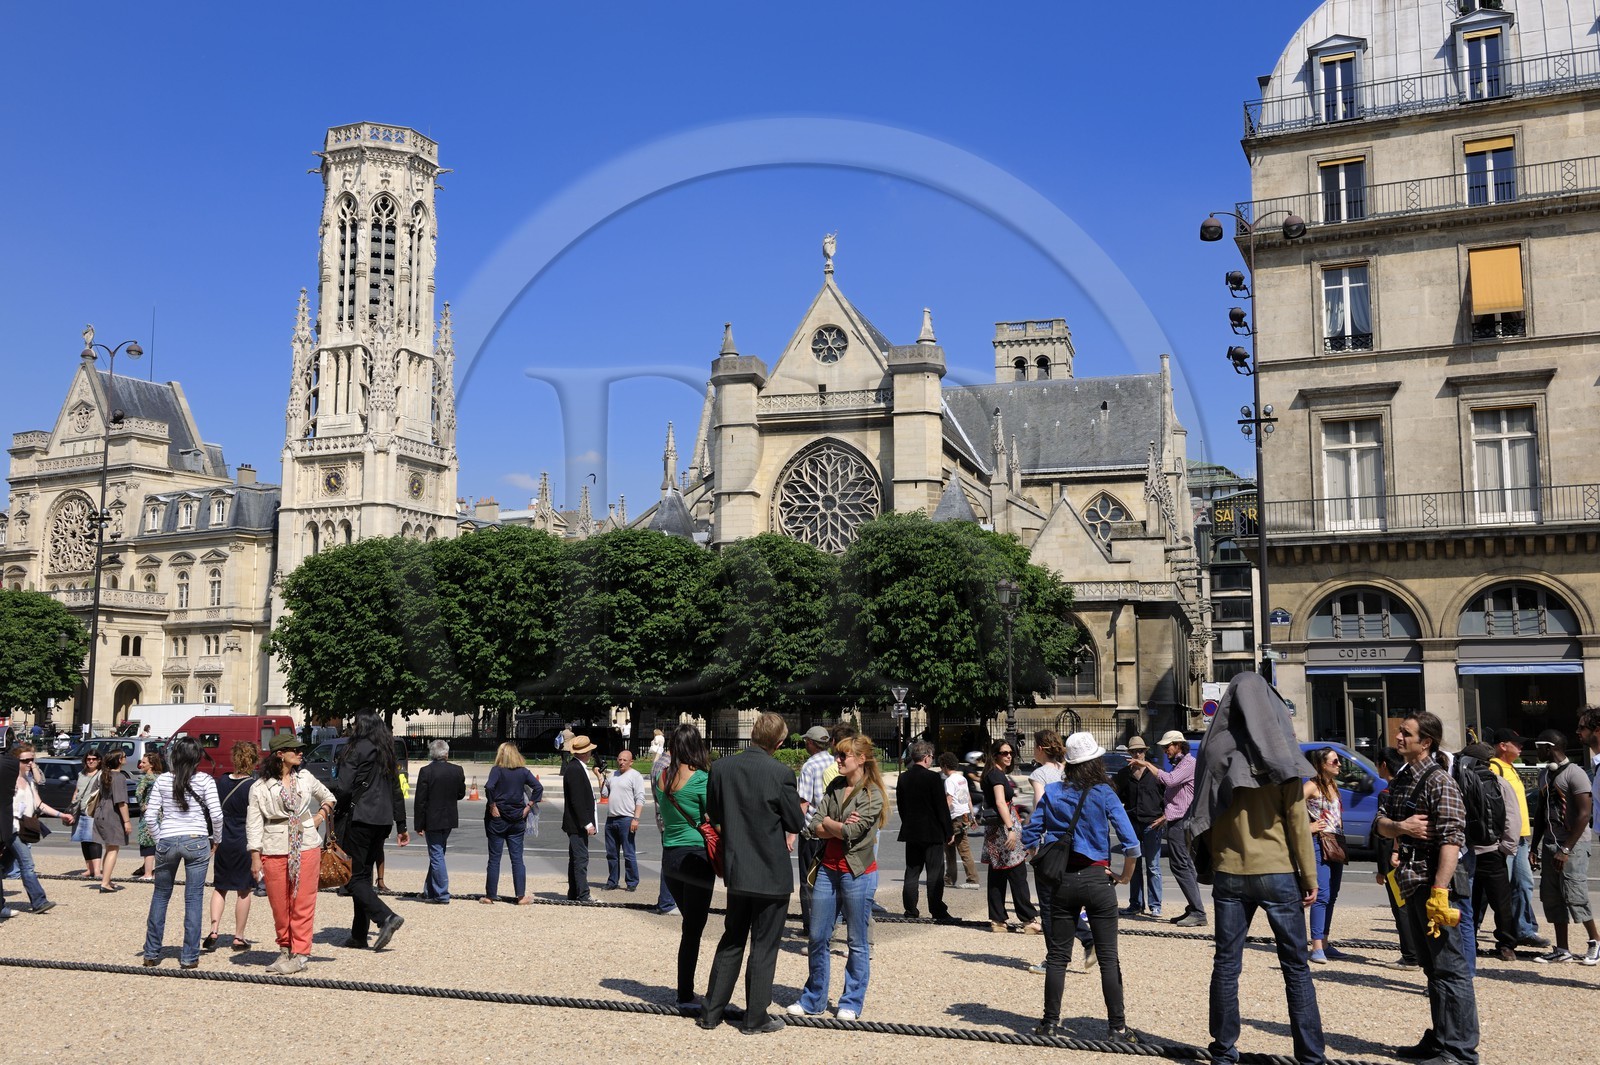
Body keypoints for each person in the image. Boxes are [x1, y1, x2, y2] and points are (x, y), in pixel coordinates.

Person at [1186, 672, 1324, 1065]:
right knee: (1295, 968)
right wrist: (1309, 877)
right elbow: (1297, 823)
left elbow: (1205, 812)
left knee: (1226, 965)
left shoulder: (1215, 752)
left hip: (1231, 871)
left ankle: (1223, 1050)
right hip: (1278, 870)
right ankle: (1310, 1056)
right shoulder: (1281, 753)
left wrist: (1216, 858)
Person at [1022, 732, 1140, 1043]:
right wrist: (1124, 877)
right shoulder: (1104, 792)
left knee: (1058, 956)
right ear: (1095, 761)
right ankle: (1117, 1028)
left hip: (1062, 880)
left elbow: (1029, 835)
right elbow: (1131, 844)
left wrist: (1042, 856)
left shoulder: (1052, 791)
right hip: (1097, 877)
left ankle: (1049, 1023)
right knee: (1108, 957)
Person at [1377, 712, 1479, 1065]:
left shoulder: (1439, 782)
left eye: (1406, 733)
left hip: (1436, 885)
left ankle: (1460, 1050)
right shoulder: (1404, 778)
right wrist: (1400, 826)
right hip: (1413, 882)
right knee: (1433, 968)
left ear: (1426, 742)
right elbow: (1380, 824)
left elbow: (1452, 840)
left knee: (1451, 969)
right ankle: (1441, 1039)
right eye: (1400, 732)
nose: (1398, 737)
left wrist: (1440, 890)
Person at [699, 711, 805, 1035]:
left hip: (738, 868)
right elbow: (795, 822)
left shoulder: (722, 767)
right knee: (764, 945)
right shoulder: (781, 773)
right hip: (770, 871)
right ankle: (755, 1016)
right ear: (780, 742)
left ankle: (711, 1012)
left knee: (732, 939)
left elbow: (714, 812)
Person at [791, 733, 888, 1021]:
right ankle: (814, 999)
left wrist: (831, 824)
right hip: (828, 869)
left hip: (858, 872)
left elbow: (852, 832)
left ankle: (851, 1001)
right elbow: (814, 825)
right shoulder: (834, 785)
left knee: (856, 941)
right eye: (837, 754)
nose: (837, 760)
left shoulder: (872, 794)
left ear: (861, 759)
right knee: (818, 937)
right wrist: (836, 824)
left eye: (843, 755)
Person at [248, 733, 336, 975]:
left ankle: (300, 953)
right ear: (280, 754)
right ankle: (285, 949)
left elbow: (329, 797)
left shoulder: (305, 778)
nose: (300, 753)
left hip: (306, 845)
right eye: (294, 750)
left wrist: (319, 817)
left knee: (303, 902)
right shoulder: (260, 787)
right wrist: (255, 856)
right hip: (274, 846)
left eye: (300, 749)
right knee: (279, 904)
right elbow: (254, 823)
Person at [141, 736, 223, 968]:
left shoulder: (163, 780)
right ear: (197, 757)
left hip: (168, 838)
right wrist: (217, 839)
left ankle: (151, 953)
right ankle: (189, 957)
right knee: (194, 898)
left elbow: (150, 816)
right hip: (197, 839)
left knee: (160, 896)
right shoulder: (205, 780)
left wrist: (159, 839)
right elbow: (217, 815)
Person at [333, 711, 409, 950]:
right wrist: (402, 825)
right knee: (363, 876)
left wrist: (335, 810)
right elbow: (396, 790)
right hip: (383, 820)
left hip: (360, 817)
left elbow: (345, 787)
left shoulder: (355, 749)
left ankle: (385, 916)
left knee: (352, 878)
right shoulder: (386, 750)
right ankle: (358, 934)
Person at [656, 723, 716, 1013]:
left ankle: (685, 990)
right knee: (694, 928)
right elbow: (713, 817)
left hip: (670, 856)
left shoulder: (663, 777)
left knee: (689, 927)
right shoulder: (701, 778)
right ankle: (685, 993)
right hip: (696, 856)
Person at [1530, 729, 1599, 965]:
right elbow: (1541, 813)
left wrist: (1566, 849)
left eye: (1539, 747)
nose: (1536, 751)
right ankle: (1562, 949)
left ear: (1549, 747)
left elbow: (1584, 814)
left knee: (1575, 894)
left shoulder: (1575, 774)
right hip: (1551, 843)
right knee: (1553, 897)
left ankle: (1595, 942)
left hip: (1573, 845)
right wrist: (1534, 847)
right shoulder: (1545, 775)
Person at [1459, 742, 1521, 963]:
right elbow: (1512, 817)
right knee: (1501, 902)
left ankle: (1469, 942)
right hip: (1493, 849)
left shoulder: (1459, 781)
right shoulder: (1500, 783)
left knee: (1469, 900)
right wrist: (1506, 848)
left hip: (1466, 850)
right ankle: (1506, 945)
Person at [1486, 728, 1546, 949]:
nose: (1521, 747)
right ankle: (1506, 932)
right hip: (1506, 838)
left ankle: (1523, 930)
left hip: (1519, 837)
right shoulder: (1494, 768)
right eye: (1516, 743)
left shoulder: (1510, 767)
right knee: (1501, 887)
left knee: (1524, 884)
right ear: (1503, 745)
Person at [1141, 730, 1206, 927]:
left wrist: (1147, 764)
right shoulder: (1181, 764)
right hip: (1178, 820)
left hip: (1182, 822)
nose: (1165, 750)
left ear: (1178, 745)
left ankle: (1198, 911)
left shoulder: (1188, 763)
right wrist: (1165, 816)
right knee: (1184, 865)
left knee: (1180, 865)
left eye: (1167, 746)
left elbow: (1169, 781)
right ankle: (1194, 907)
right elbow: (1178, 797)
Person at [982, 738, 1040, 934]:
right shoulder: (996, 775)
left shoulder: (992, 773)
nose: (1009, 756)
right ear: (995, 755)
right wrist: (1011, 829)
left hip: (996, 829)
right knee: (1017, 873)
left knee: (997, 874)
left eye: (1011, 753)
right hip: (1003, 828)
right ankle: (1028, 919)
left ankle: (998, 919)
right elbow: (1000, 802)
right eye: (1004, 753)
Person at [206, 740, 259, 951]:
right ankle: (238, 936)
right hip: (244, 839)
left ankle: (214, 929)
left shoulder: (222, 781)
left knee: (220, 887)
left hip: (223, 839)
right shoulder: (253, 786)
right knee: (244, 890)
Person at [6, 742, 70, 914]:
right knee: (27, 864)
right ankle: (39, 901)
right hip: (11, 828)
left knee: (5, 867)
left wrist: (60, 815)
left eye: (32, 760)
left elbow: (39, 804)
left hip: (23, 827)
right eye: (25, 760)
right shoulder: (8, 780)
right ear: (15, 761)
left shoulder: (28, 780)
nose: (29, 763)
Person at [1374, 747, 1422, 971]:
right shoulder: (1409, 788)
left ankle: (1410, 956)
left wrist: (1382, 868)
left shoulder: (1388, 792)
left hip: (1394, 859)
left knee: (1400, 907)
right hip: (1411, 854)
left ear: (1384, 765)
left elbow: (1384, 836)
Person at [896, 739, 954, 923]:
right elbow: (941, 808)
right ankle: (936, 908)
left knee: (912, 870)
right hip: (932, 831)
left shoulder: (903, 778)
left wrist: (907, 823)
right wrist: (949, 830)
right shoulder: (933, 778)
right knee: (934, 872)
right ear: (927, 757)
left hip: (912, 830)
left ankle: (910, 908)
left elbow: (901, 806)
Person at [1112, 736, 1165, 918]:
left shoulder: (1156, 772)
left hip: (1152, 824)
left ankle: (1155, 905)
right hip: (1132, 823)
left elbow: (1169, 795)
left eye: (1140, 751)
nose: (1137, 754)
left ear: (1145, 752)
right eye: (1134, 751)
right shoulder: (1123, 774)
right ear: (1129, 753)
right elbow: (1113, 796)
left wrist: (1165, 817)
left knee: (1153, 866)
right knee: (1133, 866)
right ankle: (1136, 904)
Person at [483, 742, 541, 904]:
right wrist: (529, 806)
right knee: (517, 859)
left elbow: (489, 787)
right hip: (517, 816)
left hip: (498, 817)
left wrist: (492, 805)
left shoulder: (497, 770)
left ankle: (490, 895)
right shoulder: (523, 771)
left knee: (494, 858)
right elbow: (538, 787)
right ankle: (520, 895)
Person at [1303, 747, 1346, 963]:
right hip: (1319, 842)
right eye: (1335, 761)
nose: (1339, 765)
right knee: (1322, 894)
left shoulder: (1332, 785)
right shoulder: (1312, 786)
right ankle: (1317, 946)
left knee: (1333, 894)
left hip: (1335, 842)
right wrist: (1307, 827)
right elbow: (1289, 809)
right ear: (1322, 764)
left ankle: (1325, 943)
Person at [414, 739, 466, 904]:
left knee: (436, 855)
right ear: (446, 754)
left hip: (433, 819)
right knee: (438, 854)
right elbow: (460, 794)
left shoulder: (426, 771)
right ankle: (429, 890)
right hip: (449, 817)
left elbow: (420, 800)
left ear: (432, 754)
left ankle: (441, 894)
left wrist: (419, 824)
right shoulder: (457, 770)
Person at [795, 725, 833, 936]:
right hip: (831, 829)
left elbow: (804, 802)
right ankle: (828, 922)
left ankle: (810, 925)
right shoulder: (834, 761)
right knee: (827, 878)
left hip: (811, 830)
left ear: (811, 743)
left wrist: (793, 831)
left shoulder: (809, 766)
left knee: (807, 880)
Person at [601, 749, 647, 891]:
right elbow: (604, 794)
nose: (621, 762)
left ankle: (632, 882)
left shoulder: (635, 776)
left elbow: (640, 798)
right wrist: (600, 777)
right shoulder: (612, 775)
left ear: (631, 762)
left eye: (624, 760)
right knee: (611, 854)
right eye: (619, 759)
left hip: (626, 819)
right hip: (611, 819)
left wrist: (636, 818)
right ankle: (612, 881)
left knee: (628, 853)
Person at [561, 735, 599, 902]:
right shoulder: (575, 769)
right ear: (585, 752)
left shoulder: (576, 767)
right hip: (577, 824)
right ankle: (582, 893)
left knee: (576, 859)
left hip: (576, 823)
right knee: (581, 859)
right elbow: (577, 800)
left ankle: (575, 892)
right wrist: (587, 823)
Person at [92, 749, 132, 892]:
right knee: (113, 849)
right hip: (112, 814)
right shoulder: (119, 777)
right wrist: (127, 821)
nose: (126, 758)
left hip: (101, 812)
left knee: (109, 848)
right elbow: (121, 802)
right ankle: (105, 883)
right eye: (124, 756)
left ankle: (106, 879)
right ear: (119, 760)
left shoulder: (103, 774)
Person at [939, 752, 980, 888]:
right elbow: (968, 797)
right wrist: (972, 815)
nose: (941, 770)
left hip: (955, 817)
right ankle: (949, 878)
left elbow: (949, 800)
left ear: (945, 766)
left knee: (960, 849)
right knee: (952, 847)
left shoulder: (949, 781)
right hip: (964, 815)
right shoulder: (962, 779)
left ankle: (972, 879)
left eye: (941, 767)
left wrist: (942, 816)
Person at [70, 752, 104, 879]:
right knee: (83, 840)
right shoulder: (81, 774)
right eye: (88, 759)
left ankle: (97, 870)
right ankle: (89, 869)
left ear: (99, 760)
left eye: (94, 759)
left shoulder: (101, 774)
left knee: (94, 840)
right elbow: (77, 791)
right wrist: (73, 806)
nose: (91, 761)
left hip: (93, 810)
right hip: (80, 810)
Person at [133, 751, 165, 881]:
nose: (140, 764)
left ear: (151, 765)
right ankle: (158, 873)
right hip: (161, 814)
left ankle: (147, 873)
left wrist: (142, 805)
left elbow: (138, 793)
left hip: (149, 815)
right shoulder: (162, 777)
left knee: (147, 845)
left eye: (143, 762)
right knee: (159, 845)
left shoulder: (147, 778)